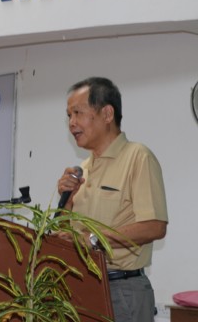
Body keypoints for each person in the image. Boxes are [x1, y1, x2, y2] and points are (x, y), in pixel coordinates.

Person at [56, 77, 168, 322]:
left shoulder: (138, 157)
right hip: (81, 287)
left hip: (122, 289)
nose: (72, 123)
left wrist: (92, 239)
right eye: (69, 116)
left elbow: (155, 226)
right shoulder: (82, 170)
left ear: (107, 113)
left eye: (78, 113)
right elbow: (66, 237)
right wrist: (67, 203)